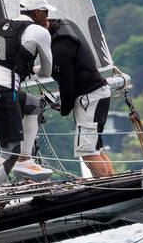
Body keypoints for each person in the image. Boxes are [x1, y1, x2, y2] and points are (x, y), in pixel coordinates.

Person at [0, 0, 55, 186]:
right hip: (3, 90)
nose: (47, 17)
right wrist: (28, 68)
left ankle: (25, 160)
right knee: (9, 150)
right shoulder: (40, 32)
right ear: (36, 12)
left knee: (34, 105)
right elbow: (47, 70)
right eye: (45, 12)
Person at [48, 14, 114, 178]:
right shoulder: (64, 25)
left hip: (89, 98)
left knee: (87, 151)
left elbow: (67, 83)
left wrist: (64, 108)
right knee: (96, 149)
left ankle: (105, 189)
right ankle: (109, 182)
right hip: (98, 93)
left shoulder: (60, 45)